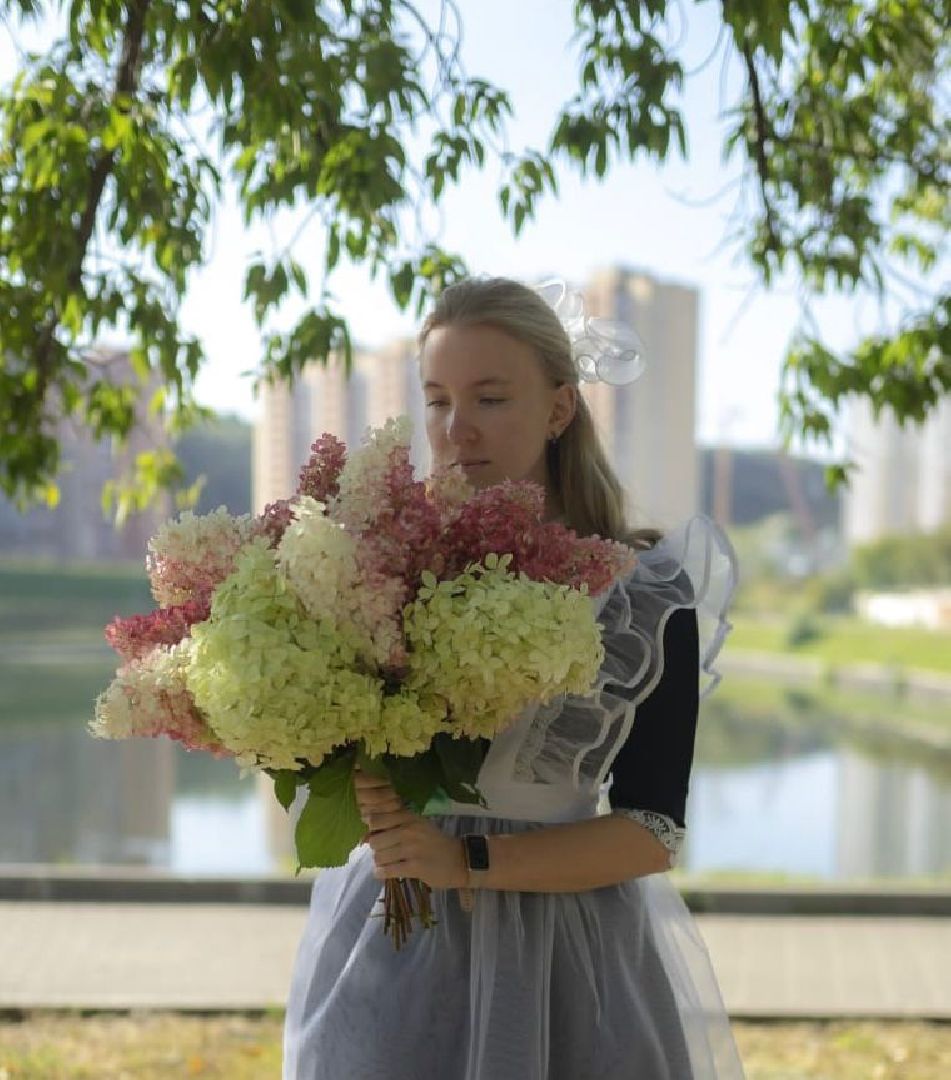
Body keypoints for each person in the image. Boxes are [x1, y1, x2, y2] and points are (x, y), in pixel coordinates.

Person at [283, 277, 744, 1079]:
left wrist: (464, 863)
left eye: (490, 398)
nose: (456, 430)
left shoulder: (645, 593)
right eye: (435, 400)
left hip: (571, 965)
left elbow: (652, 830)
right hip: (391, 950)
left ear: (559, 409)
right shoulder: (379, 566)